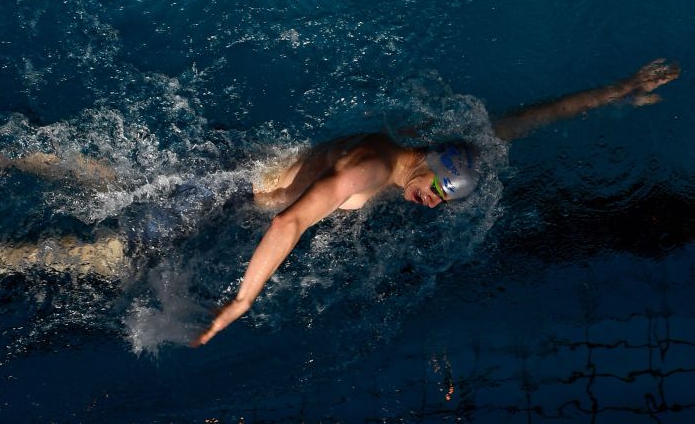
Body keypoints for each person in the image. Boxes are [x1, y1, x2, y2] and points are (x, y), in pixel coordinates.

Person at [190, 58, 680, 346]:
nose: (429, 203)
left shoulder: (434, 150)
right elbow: (288, 222)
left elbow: (537, 116)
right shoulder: (371, 168)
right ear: (428, 165)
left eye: (443, 199)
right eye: (436, 190)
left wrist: (623, 89)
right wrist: (241, 301)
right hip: (220, 191)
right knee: (115, 257)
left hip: (238, 166)